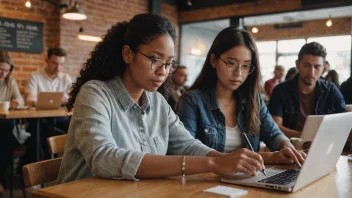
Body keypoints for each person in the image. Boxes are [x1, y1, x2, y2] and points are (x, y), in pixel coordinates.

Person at [57, 13, 282, 184]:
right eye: (154, 59)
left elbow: (188, 145)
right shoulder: (95, 93)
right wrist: (213, 162)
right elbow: (104, 158)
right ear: (128, 54)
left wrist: (224, 161)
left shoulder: (157, 102)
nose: (163, 72)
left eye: (169, 63)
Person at [176, 27, 305, 166]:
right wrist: (269, 157)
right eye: (231, 63)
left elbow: (273, 133)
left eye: (245, 66)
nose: (238, 73)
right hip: (205, 181)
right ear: (213, 60)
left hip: (248, 178)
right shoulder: (193, 101)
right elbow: (186, 151)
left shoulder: (252, 99)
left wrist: (287, 148)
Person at [269, 42, 347, 138]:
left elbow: (345, 122)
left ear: (323, 68)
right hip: (289, 147)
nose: (311, 72)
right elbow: (275, 127)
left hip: (323, 145)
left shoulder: (330, 90)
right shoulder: (280, 91)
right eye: (307, 65)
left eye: (317, 67)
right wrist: (305, 137)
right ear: (298, 64)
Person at [0, 50, 24, 189]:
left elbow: (20, 100)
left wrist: (16, 102)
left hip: (5, 123)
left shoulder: (10, 81)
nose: (3, 74)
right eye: (0, 69)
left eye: (6, 70)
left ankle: (4, 180)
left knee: (7, 138)